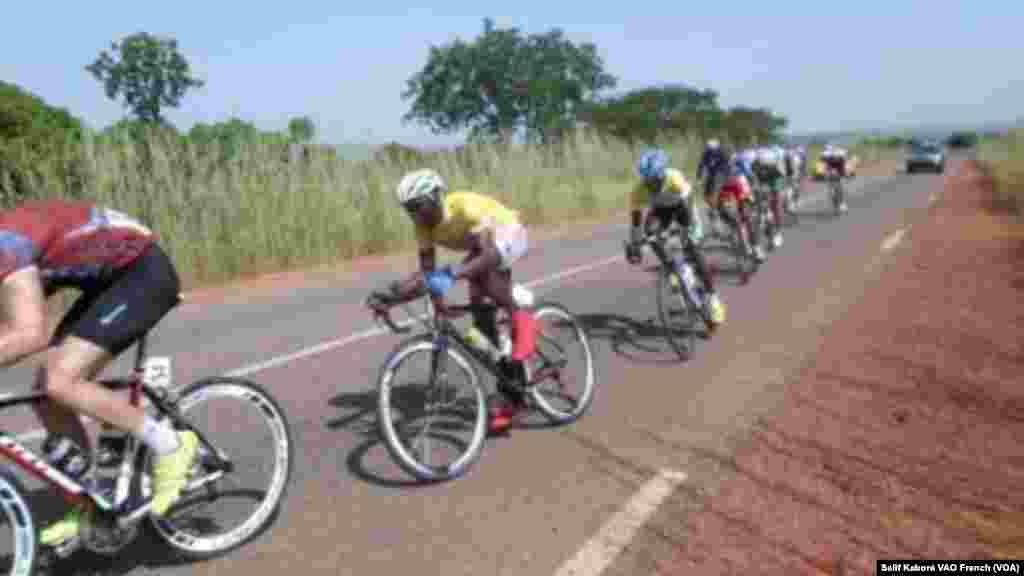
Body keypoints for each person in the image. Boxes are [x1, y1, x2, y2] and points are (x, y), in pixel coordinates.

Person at [0, 199, 199, 547]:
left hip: (143, 273)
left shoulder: (6, 246)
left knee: (60, 380)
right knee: (47, 396)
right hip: (107, 281)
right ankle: (88, 502)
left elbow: (29, 333)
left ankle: (171, 444)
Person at [369, 169, 537, 433]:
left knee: (482, 278)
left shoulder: (464, 208)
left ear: (436, 196)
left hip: (507, 234)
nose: (413, 215)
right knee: (481, 319)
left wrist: (451, 275)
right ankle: (510, 384)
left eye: (417, 206)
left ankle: (520, 317)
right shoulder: (422, 227)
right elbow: (426, 274)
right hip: (481, 249)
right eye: (407, 209)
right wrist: (392, 296)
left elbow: (488, 255)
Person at [623, 149, 726, 328]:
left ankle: (713, 298)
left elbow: (688, 202)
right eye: (647, 181)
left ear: (662, 174)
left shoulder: (674, 178)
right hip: (661, 212)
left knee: (693, 249)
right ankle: (671, 268)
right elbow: (636, 221)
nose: (651, 185)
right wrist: (635, 244)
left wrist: (686, 229)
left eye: (654, 180)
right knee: (650, 233)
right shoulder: (639, 190)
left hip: (683, 208)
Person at [716, 149, 765, 263]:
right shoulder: (717, 166)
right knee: (728, 214)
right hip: (726, 190)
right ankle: (735, 231)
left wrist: (753, 189)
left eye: (728, 159)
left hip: (739, 187)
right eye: (724, 159)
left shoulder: (739, 161)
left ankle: (756, 248)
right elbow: (714, 184)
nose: (727, 161)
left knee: (746, 217)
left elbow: (749, 175)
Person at [751, 145, 787, 248]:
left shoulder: (776, 168)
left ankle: (778, 231)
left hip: (774, 183)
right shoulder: (755, 164)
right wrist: (753, 188)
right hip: (762, 184)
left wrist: (774, 192)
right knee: (758, 205)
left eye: (765, 166)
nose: (763, 167)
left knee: (776, 205)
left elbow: (779, 182)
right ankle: (760, 230)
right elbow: (752, 178)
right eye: (761, 165)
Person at [696, 139, 730, 236]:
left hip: (722, 175)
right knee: (707, 195)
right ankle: (714, 210)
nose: (711, 152)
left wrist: (727, 177)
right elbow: (701, 164)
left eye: (713, 150)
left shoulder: (722, 153)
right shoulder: (706, 153)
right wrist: (698, 177)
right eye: (709, 150)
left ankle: (717, 210)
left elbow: (728, 166)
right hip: (712, 176)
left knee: (714, 193)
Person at [820, 143, 849, 212]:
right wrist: (825, 173)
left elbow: (844, 165)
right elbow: (823, 163)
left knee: (840, 187)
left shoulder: (841, 155)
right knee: (831, 190)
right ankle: (835, 203)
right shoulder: (826, 156)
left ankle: (842, 203)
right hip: (830, 174)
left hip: (840, 172)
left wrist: (845, 173)